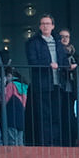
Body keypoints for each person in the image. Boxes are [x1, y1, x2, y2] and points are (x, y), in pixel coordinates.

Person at [24, 15, 67, 147]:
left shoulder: (58, 42)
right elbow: (32, 61)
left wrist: (68, 66)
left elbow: (63, 60)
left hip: (57, 84)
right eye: (43, 24)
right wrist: (48, 65)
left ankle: (56, 143)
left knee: (56, 115)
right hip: (42, 84)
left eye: (48, 23)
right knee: (44, 116)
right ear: (39, 26)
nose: (45, 26)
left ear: (53, 26)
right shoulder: (33, 42)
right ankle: (46, 143)